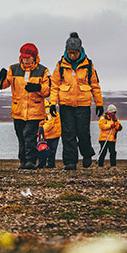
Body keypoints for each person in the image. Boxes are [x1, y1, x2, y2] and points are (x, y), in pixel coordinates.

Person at [50, 32, 103, 170]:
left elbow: (95, 85)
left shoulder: (88, 65)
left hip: (83, 104)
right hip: (66, 104)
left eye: (74, 52)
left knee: (83, 132)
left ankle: (86, 154)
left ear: (80, 51)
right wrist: (52, 103)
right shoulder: (60, 65)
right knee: (68, 133)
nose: (72, 55)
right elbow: (54, 85)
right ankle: (70, 161)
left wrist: (99, 103)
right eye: (70, 52)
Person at [0, 43, 49, 170]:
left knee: (29, 135)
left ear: (34, 57)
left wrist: (38, 88)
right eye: (23, 57)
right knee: (20, 135)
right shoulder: (13, 69)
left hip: (34, 110)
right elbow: (2, 85)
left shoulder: (43, 71)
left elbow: (47, 91)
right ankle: (23, 160)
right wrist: (0, 78)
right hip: (18, 110)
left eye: (28, 57)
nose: (25, 60)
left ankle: (30, 160)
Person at [39, 101, 61, 168]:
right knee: (51, 150)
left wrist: (40, 130)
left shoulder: (47, 109)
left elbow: (50, 122)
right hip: (54, 132)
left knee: (44, 149)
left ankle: (43, 164)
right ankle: (50, 164)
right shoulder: (47, 107)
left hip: (51, 133)